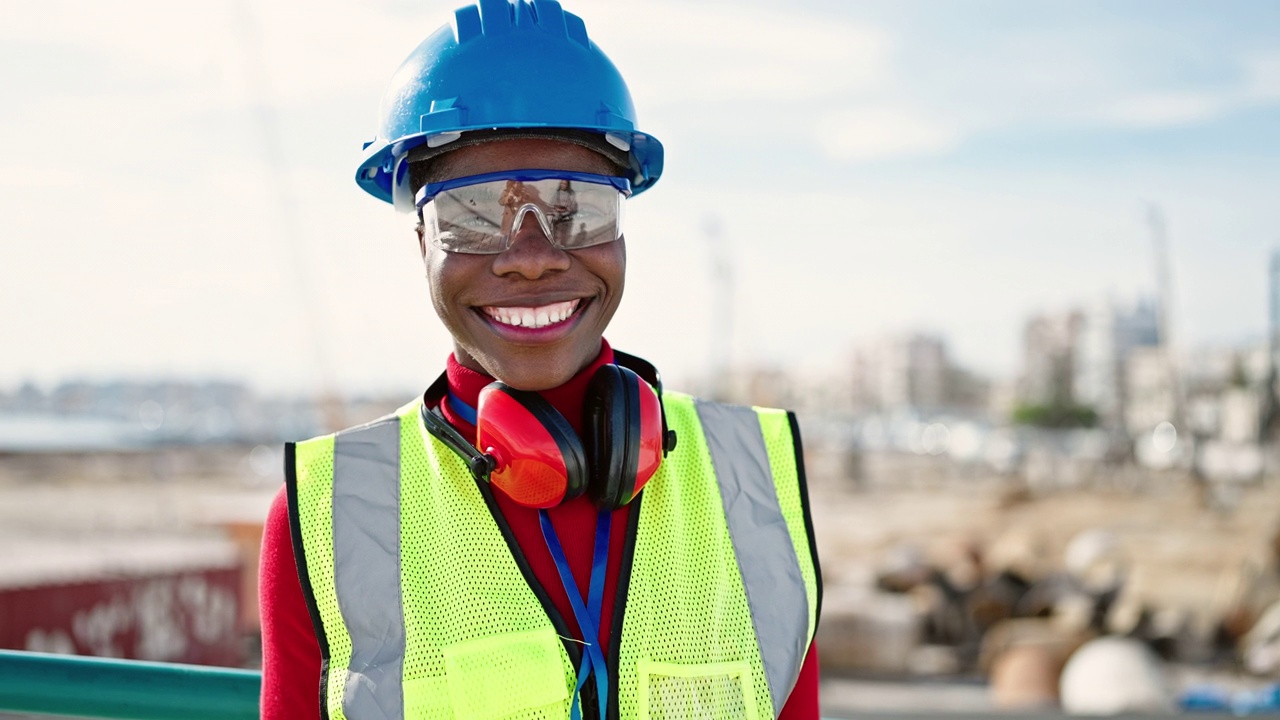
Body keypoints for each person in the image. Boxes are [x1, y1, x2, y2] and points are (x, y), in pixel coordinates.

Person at [258, 1, 822, 718]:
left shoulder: (756, 487)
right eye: (470, 214)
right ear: (422, 243)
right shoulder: (327, 519)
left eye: (576, 208)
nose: (531, 258)